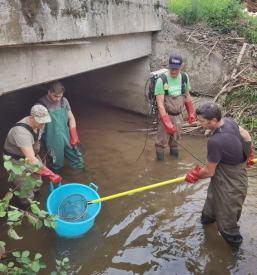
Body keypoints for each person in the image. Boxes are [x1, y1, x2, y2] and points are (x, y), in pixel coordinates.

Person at [185, 101, 252, 246]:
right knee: (209, 212)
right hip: (219, 182)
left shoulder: (216, 142)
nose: (199, 123)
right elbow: (245, 134)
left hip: (231, 187)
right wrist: (248, 154)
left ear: (213, 120)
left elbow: (209, 172)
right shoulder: (228, 121)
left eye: (201, 121)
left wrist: (194, 175)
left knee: (227, 227)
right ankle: (206, 230)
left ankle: (234, 257)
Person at [3, 105, 62, 204]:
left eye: (45, 121)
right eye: (40, 121)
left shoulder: (40, 125)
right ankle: (27, 206)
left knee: (37, 181)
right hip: (16, 160)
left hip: (31, 155)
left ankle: (36, 195)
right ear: (31, 118)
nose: (43, 124)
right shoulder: (21, 132)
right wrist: (51, 174)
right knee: (25, 189)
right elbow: (31, 160)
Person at [36, 81, 84, 174]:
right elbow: (36, 127)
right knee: (56, 165)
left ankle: (81, 177)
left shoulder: (64, 101)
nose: (58, 99)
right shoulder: (40, 106)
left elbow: (71, 118)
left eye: (60, 96)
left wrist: (74, 135)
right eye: (55, 96)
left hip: (67, 137)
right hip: (52, 141)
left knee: (77, 159)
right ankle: (58, 182)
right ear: (49, 92)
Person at [155, 54, 195, 160]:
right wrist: (167, 123)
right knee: (161, 143)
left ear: (181, 66)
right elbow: (160, 104)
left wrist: (191, 111)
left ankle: (175, 163)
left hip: (179, 116)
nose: (173, 71)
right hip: (165, 116)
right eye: (172, 68)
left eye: (176, 69)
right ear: (168, 65)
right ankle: (160, 167)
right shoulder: (161, 81)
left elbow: (187, 95)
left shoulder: (184, 77)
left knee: (175, 142)